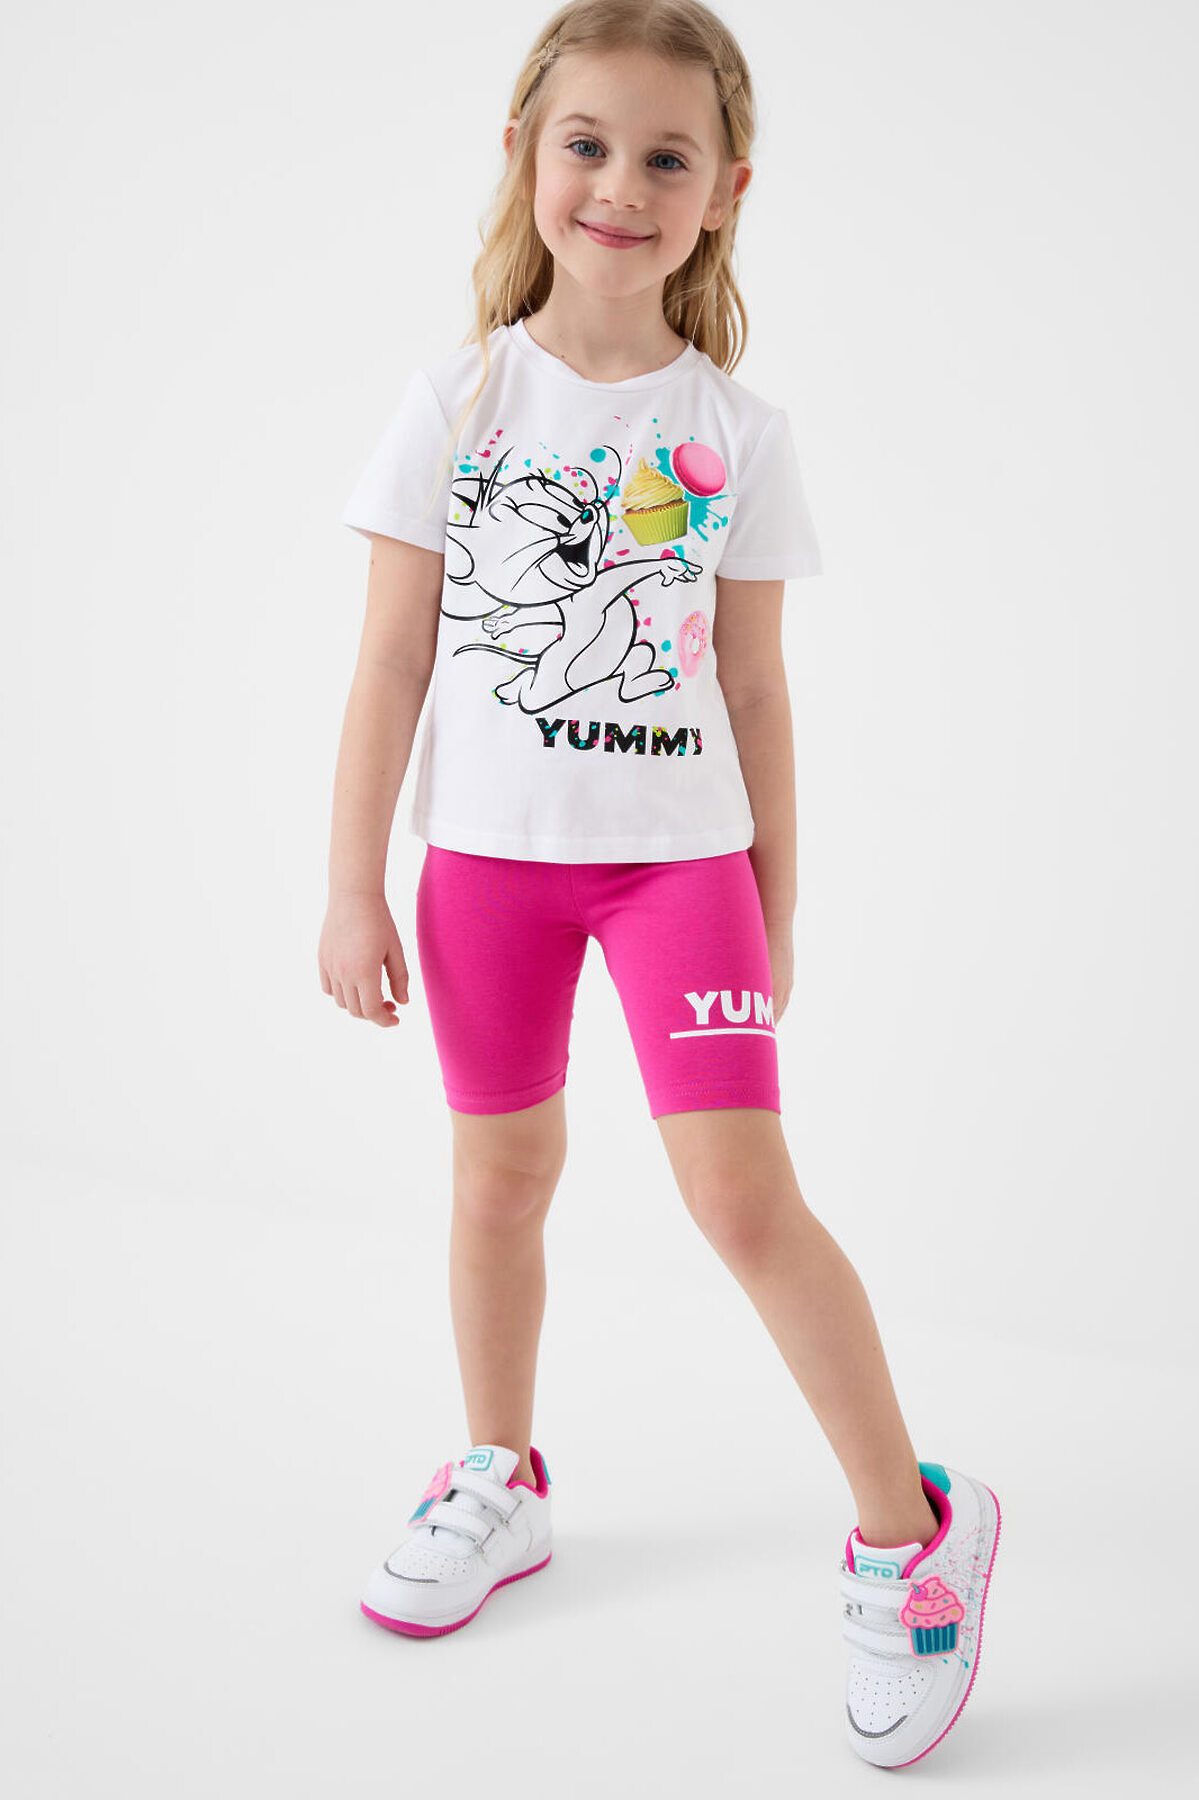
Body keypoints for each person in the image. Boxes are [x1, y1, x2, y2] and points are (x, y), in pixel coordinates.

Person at [319, 0, 999, 1769]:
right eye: (589, 144)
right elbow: (390, 662)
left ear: (726, 191)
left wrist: (778, 899)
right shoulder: (456, 401)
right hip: (484, 871)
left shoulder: (738, 433)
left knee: (742, 1201)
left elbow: (756, 690)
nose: (621, 185)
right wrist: (351, 886)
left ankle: (912, 1534)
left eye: (667, 157)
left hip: (678, 873)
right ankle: (499, 1473)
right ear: (525, 157)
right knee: (498, 1184)